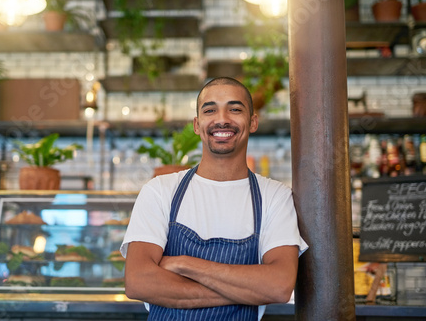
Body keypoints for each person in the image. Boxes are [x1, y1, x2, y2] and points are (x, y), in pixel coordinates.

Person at [121, 77, 308, 320]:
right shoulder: (160, 190)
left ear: (252, 122)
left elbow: (279, 286)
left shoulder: (274, 196)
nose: (222, 119)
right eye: (210, 110)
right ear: (197, 125)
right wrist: (248, 290)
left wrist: (184, 264)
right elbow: (138, 282)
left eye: (235, 109)